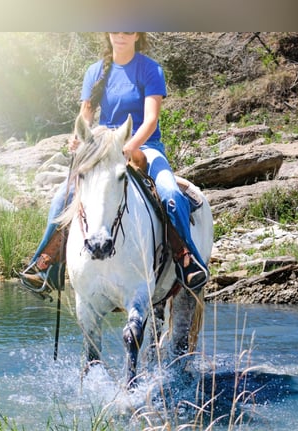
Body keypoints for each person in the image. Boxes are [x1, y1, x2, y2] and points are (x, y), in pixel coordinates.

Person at [19, 32, 209, 296]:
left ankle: (188, 260)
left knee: (171, 192)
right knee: (61, 198)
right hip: (103, 149)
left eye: (128, 30)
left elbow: (150, 120)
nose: (121, 35)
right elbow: (85, 115)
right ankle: (44, 266)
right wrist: (79, 139)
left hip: (144, 145)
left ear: (137, 35)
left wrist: (128, 147)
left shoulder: (150, 69)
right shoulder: (95, 72)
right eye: (116, 29)